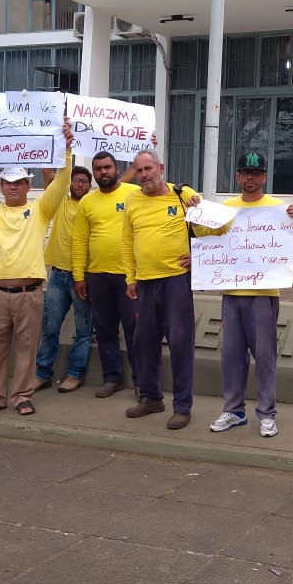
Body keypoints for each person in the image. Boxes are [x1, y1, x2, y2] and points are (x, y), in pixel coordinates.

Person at [0, 120, 73, 418]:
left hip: (30, 293)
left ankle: (22, 395)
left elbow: (61, 184)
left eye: (19, 183)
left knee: (26, 347)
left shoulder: (40, 211)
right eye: (8, 183)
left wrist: (67, 149)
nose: (14, 187)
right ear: (2, 186)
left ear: (27, 186)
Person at [208, 151, 293, 438]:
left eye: (256, 173)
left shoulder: (278, 208)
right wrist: (198, 255)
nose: (250, 178)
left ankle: (267, 413)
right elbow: (209, 241)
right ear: (238, 176)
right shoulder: (225, 208)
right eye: (245, 173)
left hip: (263, 294)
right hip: (232, 292)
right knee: (231, 356)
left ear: (264, 176)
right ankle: (234, 411)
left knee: (264, 357)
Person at [122, 150, 206, 430]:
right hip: (144, 284)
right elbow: (127, 241)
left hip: (176, 282)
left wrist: (200, 255)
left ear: (161, 167)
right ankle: (151, 397)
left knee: (181, 344)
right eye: (138, 171)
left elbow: (212, 232)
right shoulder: (132, 199)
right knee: (143, 343)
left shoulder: (183, 195)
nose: (144, 175)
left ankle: (182, 407)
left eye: (148, 169)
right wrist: (130, 279)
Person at [72, 151, 142, 398]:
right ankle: (112, 379)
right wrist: (79, 276)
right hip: (98, 276)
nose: (103, 172)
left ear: (116, 168)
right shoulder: (87, 202)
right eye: (98, 168)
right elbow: (80, 240)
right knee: (104, 329)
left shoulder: (134, 193)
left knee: (135, 329)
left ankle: (141, 382)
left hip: (128, 277)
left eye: (107, 167)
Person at [35, 165, 94, 394]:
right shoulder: (60, 202)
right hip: (58, 275)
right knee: (50, 327)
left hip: (85, 277)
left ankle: (75, 374)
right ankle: (42, 374)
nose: (79, 185)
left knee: (83, 329)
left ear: (90, 185)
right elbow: (48, 174)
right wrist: (49, 143)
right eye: (75, 180)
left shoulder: (93, 205)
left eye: (84, 181)